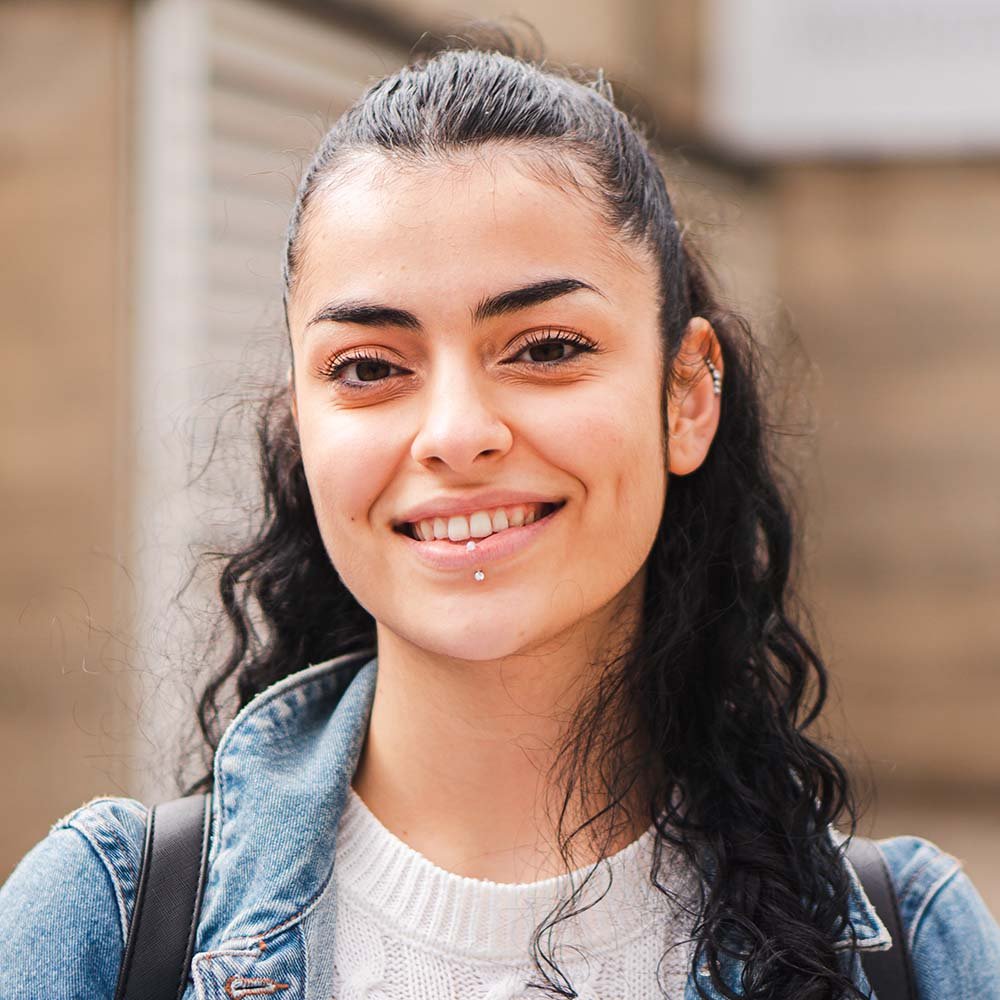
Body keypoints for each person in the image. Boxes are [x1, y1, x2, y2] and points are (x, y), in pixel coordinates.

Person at [2, 35, 999, 1000]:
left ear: (687, 394)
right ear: (299, 424)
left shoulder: (917, 948)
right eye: (368, 368)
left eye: (545, 347)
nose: (455, 433)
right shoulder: (99, 925)